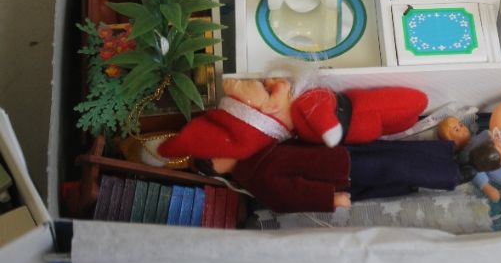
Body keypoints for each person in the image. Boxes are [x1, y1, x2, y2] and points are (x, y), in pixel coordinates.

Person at [158, 77, 428, 174]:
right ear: (268, 110)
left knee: (407, 118)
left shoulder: (289, 120)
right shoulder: (300, 107)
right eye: (267, 92)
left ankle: (409, 122)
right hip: (359, 116)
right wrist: (329, 129)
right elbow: (318, 105)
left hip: (360, 120)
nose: (267, 85)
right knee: (418, 102)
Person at [230, 140, 462, 213]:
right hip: (335, 174)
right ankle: (452, 173)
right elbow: (293, 196)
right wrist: (328, 199)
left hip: (335, 155)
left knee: (389, 155)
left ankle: (444, 157)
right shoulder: (257, 178)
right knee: (391, 167)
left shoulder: (254, 154)